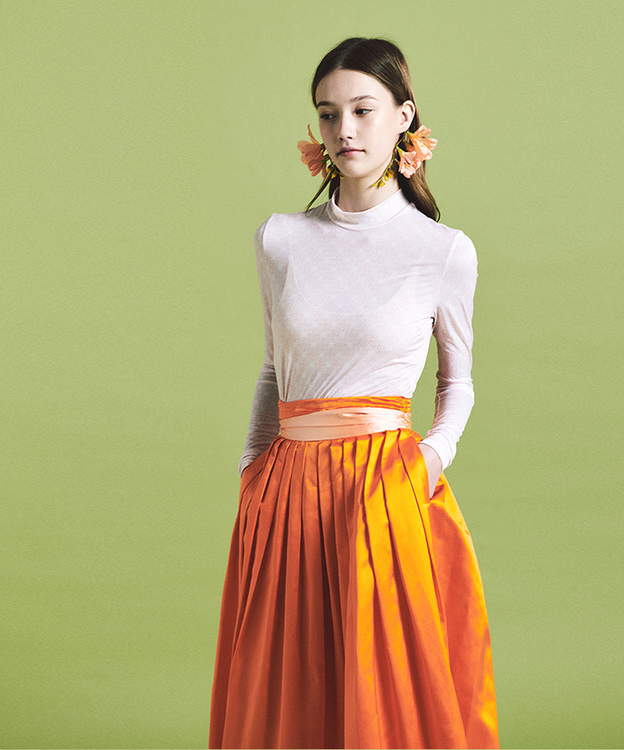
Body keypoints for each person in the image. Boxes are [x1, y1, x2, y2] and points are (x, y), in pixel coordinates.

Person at [209, 37, 498, 750]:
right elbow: (274, 370)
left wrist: (426, 463)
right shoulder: (280, 240)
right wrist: (251, 471)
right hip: (287, 489)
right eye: (328, 113)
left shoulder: (442, 250)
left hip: (385, 487)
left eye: (363, 110)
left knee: (382, 692)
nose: (344, 130)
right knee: (288, 688)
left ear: (404, 117)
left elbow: (457, 380)